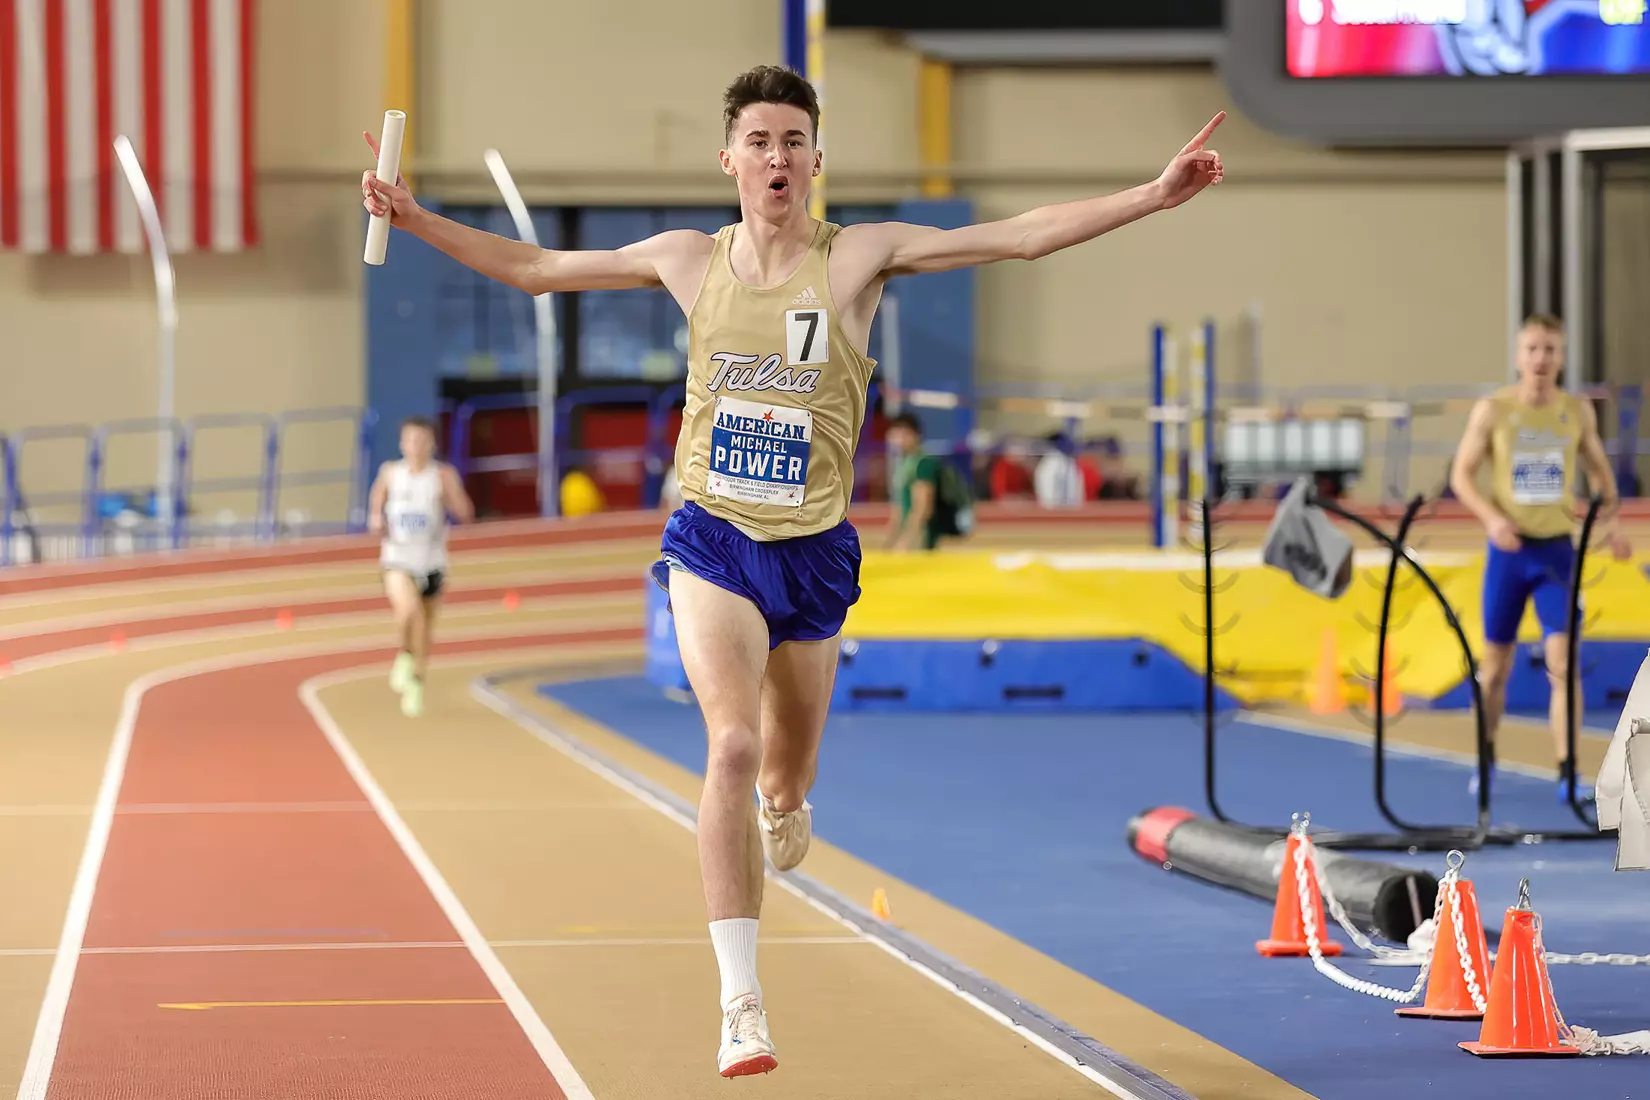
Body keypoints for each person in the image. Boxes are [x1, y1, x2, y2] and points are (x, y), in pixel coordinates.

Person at [360, 64, 1224, 1077]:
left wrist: (1151, 196)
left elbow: (1020, 235)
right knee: (729, 742)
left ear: (818, 159)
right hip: (714, 539)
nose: (776, 157)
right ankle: (740, 1001)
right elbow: (541, 269)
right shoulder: (688, 259)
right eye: (759, 140)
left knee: (783, 770)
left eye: (793, 141)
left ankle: (786, 798)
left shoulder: (857, 258)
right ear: (728, 158)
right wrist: (416, 219)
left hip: (813, 552)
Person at [1449, 313, 1631, 801]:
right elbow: (1461, 476)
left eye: (1551, 350)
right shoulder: (1493, 411)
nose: (1541, 359)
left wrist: (1610, 524)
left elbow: (1603, 481)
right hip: (1508, 554)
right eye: (1533, 349)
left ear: (1562, 357)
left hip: (1556, 555)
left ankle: (1567, 770)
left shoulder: (1575, 412)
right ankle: (1485, 756)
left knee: (1562, 664)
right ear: (1518, 356)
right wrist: (1492, 519)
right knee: (1496, 670)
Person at [367, 416, 475, 718]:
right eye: (411, 440)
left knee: (425, 627)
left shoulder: (442, 476)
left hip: (432, 562)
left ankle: (416, 681)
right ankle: (403, 655)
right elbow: (377, 497)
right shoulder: (391, 473)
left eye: (422, 440)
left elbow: (466, 512)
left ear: (432, 444)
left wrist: (455, 499)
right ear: (402, 444)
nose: (416, 446)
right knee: (408, 612)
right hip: (397, 559)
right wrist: (376, 517)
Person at [884, 412, 972, 551]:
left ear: (916, 435)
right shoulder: (904, 463)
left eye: (905, 433)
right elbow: (900, 507)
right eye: (896, 433)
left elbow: (923, 507)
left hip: (925, 534)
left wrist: (906, 540)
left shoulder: (923, 463)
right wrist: (892, 538)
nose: (900, 439)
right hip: (913, 532)